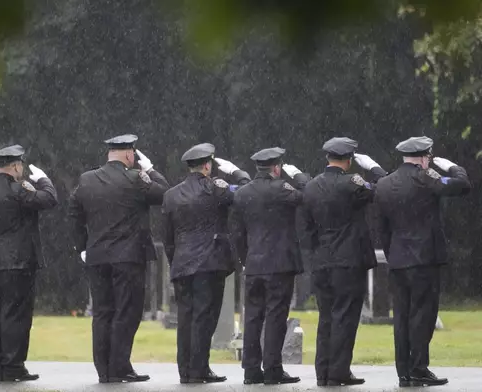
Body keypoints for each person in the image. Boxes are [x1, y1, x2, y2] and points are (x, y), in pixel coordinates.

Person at [68, 134, 169, 383]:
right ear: (129, 155)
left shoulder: (87, 179)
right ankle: (119, 367)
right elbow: (165, 194)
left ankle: (104, 369)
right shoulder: (136, 178)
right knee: (127, 312)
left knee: (103, 313)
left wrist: (82, 246)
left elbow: (73, 211)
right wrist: (151, 169)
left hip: (97, 257)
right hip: (127, 257)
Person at [375, 136, 471, 388]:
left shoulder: (384, 184)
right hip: (424, 259)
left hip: (397, 260)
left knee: (402, 317)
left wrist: (393, 253)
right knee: (423, 315)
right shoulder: (427, 179)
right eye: (428, 157)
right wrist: (452, 168)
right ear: (423, 158)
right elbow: (463, 185)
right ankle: (418, 368)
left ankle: (403, 372)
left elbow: (382, 228)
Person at [161, 143, 250, 384]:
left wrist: (175, 261)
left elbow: (167, 238)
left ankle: (186, 370)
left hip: (182, 264)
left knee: (186, 319)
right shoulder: (215, 189)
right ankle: (199, 369)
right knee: (205, 318)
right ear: (208, 165)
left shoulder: (171, 195)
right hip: (210, 264)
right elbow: (246, 191)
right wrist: (236, 172)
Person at [301, 137, 386, 387]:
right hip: (348, 261)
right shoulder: (352, 184)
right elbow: (385, 186)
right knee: (345, 317)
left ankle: (323, 371)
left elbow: (306, 229)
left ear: (328, 158)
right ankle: (339, 372)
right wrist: (373, 168)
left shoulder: (312, 187)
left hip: (321, 261)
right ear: (349, 160)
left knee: (326, 317)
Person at [0, 145, 58, 382]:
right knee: (16, 315)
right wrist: (44, 179)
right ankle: (13, 365)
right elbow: (50, 199)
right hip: (17, 263)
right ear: (17, 166)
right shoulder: (20, 190)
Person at [229, 147, 309, 385]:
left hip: (254, 264)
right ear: (277, 167)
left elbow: (237, 234)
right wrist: (299, 176)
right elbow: (306, 195)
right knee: (276, 317)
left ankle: (251, 370)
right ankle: (273, 368)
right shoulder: (281, 189)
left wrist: (246, 259)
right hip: (279, 265)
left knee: (252, 318)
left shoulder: (242, 193)